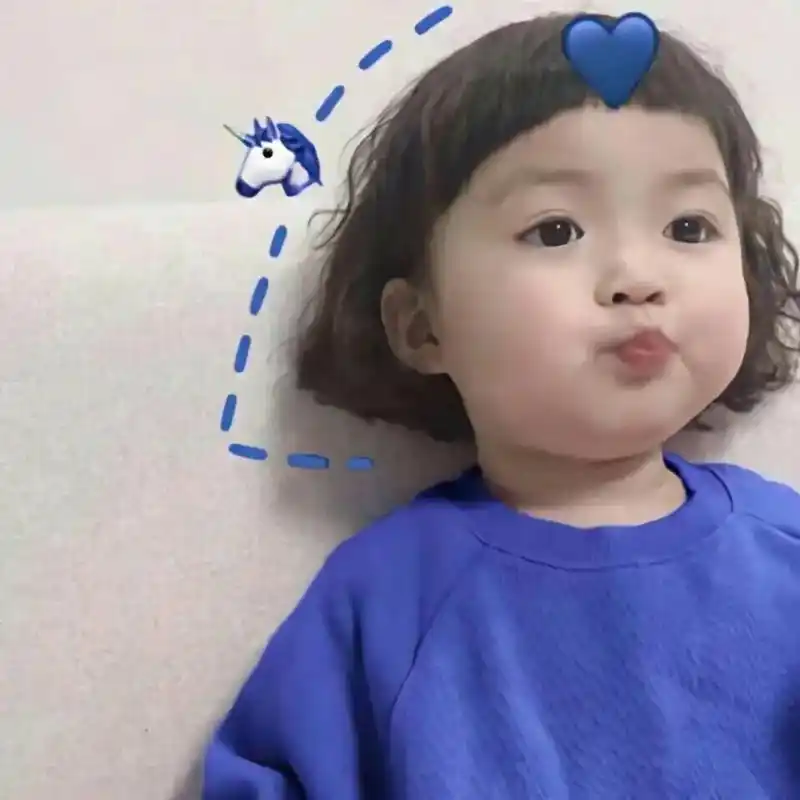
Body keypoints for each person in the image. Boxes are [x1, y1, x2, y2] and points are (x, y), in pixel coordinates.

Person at [202, 12, 800, 798]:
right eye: (555, 231)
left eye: (688, 227)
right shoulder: (389, 598)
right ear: (422, 327)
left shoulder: (786, 550)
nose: (638, 276)